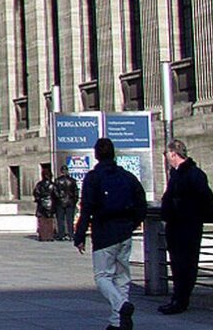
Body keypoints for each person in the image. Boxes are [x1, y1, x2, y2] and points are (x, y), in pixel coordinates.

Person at [74, 137, 146, 330]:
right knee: (122, 277)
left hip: (104, 232)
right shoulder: (127, 176)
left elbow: (86, 207)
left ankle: (121, 307)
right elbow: (141, 201)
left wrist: (80, 235)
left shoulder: (93, 178)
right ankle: (117, 322)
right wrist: (134, 223)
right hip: (124, 232)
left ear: (97, 155)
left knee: (102, 276)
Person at [158, 139, 213, 315]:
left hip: (187, 227)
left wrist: (189, 214)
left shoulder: (193, 174)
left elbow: (207, 200)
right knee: (177, 264)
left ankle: (180, 301)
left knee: (186, 265)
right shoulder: (177, 174)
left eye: (167, 154)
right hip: (176, 227)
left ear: (174, 154)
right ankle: (177, 299)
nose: (166, 157)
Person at [53, 165, 79, 241]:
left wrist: (58, 199)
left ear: (61, 171)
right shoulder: (72, 181)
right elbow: (76, 192)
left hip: (60, 202)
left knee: (60, 219)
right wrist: (74, 200)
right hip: (70, 202)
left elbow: (55, 192)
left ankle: (61, 234)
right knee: (70, 219)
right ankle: (71, 234)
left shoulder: (57, 181)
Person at [33, 168, 56, 241]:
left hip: (41, 203)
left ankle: (43, 236)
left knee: (42, 220)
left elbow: (36, 193)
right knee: (49, 221)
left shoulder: (39, 184)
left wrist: (38, 199)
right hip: (51, 203)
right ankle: (49, 236)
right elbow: (56, 194)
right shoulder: (53, 185)